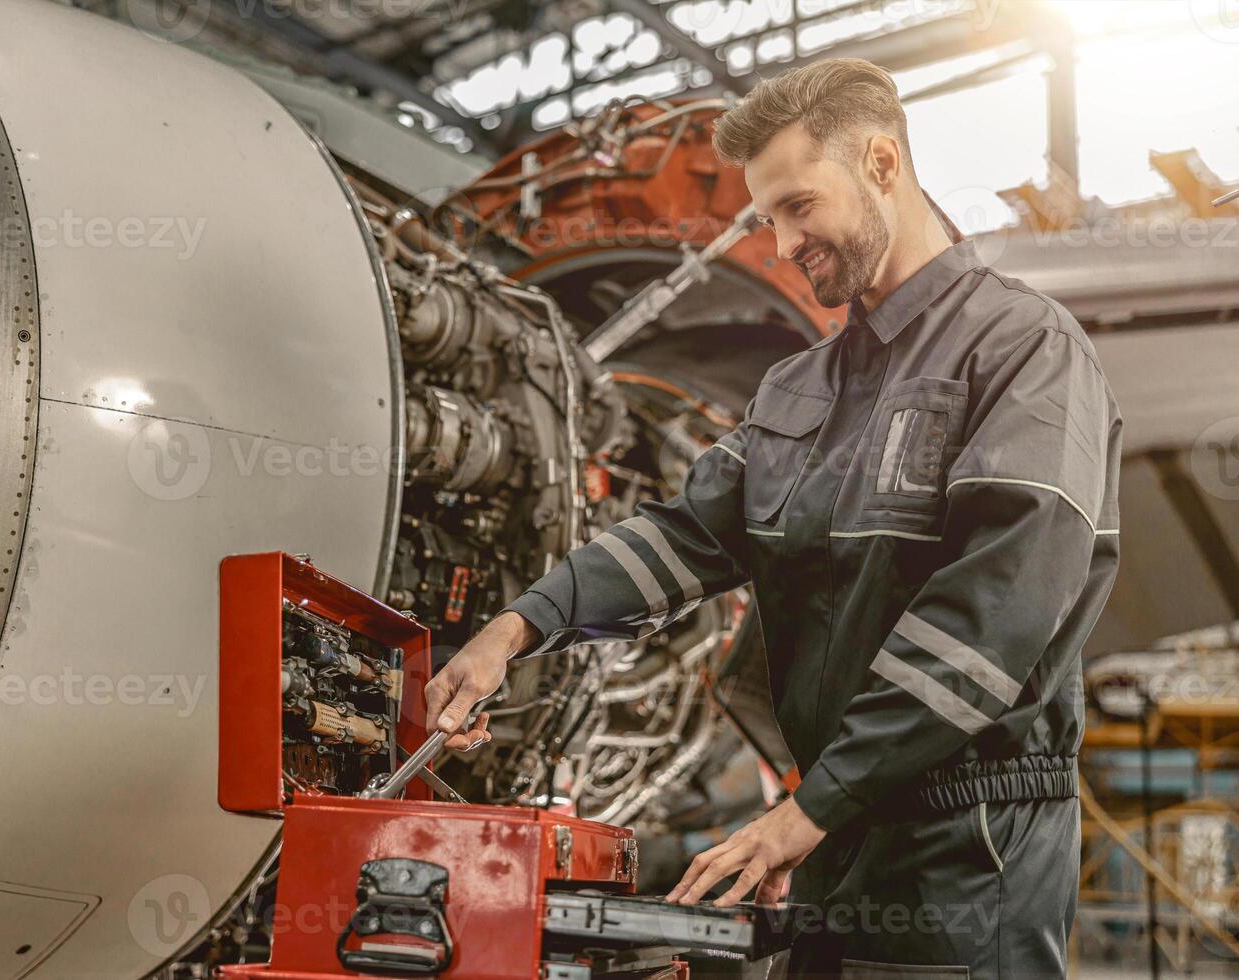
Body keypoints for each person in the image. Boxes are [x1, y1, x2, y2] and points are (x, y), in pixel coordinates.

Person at [425, 57, 1121, 978]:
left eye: (798, 206)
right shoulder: (801, 388)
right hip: (838, 823)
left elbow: (994, 618)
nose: (783, 244)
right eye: (766, 219)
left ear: (881, 163)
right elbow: (687, 536)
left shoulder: (1024, 351)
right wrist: (519, 626)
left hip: (968, 837)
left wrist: (805, 811)